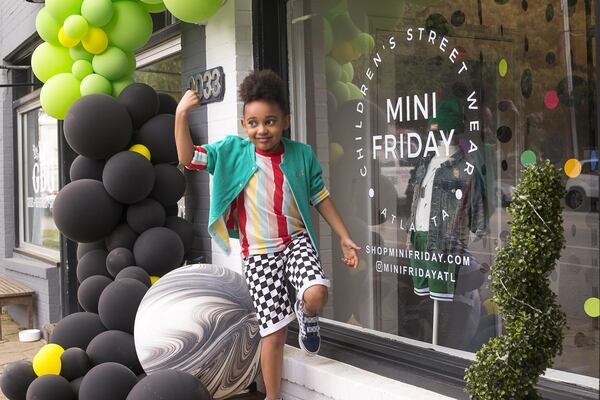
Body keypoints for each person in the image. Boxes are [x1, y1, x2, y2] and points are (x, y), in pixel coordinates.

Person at [174, 69, 360, 400]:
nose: (262, 130)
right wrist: (181, 114)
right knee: (273, 333)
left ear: (285, 120)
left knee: (316, 293)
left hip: (296, 243)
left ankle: (307, 312)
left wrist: (344, 236)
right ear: (245, 124)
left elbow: (320, 197)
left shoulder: (301, 154)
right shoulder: (232, 152)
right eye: (254, 122)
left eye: (271, 121)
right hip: (258, 254)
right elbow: (188, 158)